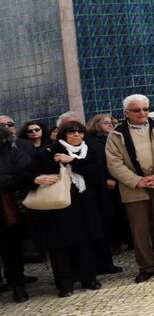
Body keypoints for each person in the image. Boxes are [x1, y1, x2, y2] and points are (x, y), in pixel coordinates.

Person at [106, 94, 154, 283]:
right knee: (140, 230)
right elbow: (114, 163)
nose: (142, 113)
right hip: (135, 188)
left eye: (145, 109)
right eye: (137, 110)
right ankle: (146, 266)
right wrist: (138, 181)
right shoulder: (116, 134)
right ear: (126, 113)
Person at [28, 121, 105, 296]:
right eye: (72, 132)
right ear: (63, 134)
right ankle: (64, 283)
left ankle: (89, 278)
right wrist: (37, 179)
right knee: (60, 246)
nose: (76, 135)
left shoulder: (90, 151)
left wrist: (73, 161)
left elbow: (96, 173)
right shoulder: (49, 152)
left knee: (85, 242)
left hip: (85, 204)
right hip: (59, 206)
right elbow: (29, 173)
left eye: (80, 132)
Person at [84, 114, 123, 273]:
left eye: (111, 123)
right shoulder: (92, 142)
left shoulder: (113, 139)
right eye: (106, 123)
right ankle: (102, 262)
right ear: (96, 125)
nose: (110, 125)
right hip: (102, 188)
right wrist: (108, 178)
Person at [0, 125, 33, 302]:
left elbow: (25, 172)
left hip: (7, 208)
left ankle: (17, 286)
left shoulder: (11, 151)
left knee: (11, 249)